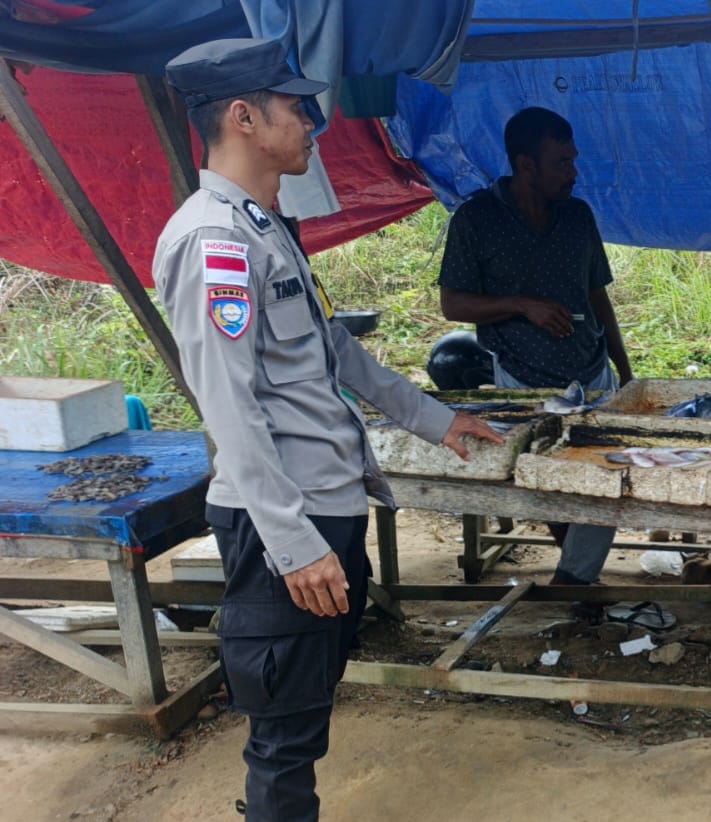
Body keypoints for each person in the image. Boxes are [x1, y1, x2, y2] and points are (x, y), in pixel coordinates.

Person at [153, 38, 504, 821]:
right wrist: (294, 542)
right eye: (295, 107)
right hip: (289, 521)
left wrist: (435, 417)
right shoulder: (215, 243)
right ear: (243, 117)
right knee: (283, 728)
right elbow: (229, 405)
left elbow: (331, 348)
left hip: (322, 508)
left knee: (303, 708)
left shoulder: (263, 226)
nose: (315, 122)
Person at [438, 107, 633, 598]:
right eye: (562, 162)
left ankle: (573, 578)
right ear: (526, 166)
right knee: (548, 481)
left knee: (601, 476)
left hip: (590, 375)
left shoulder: (577, 216)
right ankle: (578, 578)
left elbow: (597, 296)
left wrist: (624, 371)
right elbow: (453, 303)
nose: (574, 172)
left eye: (573, 160)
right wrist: (521, 306)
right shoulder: (477, 220)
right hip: (524, 380)